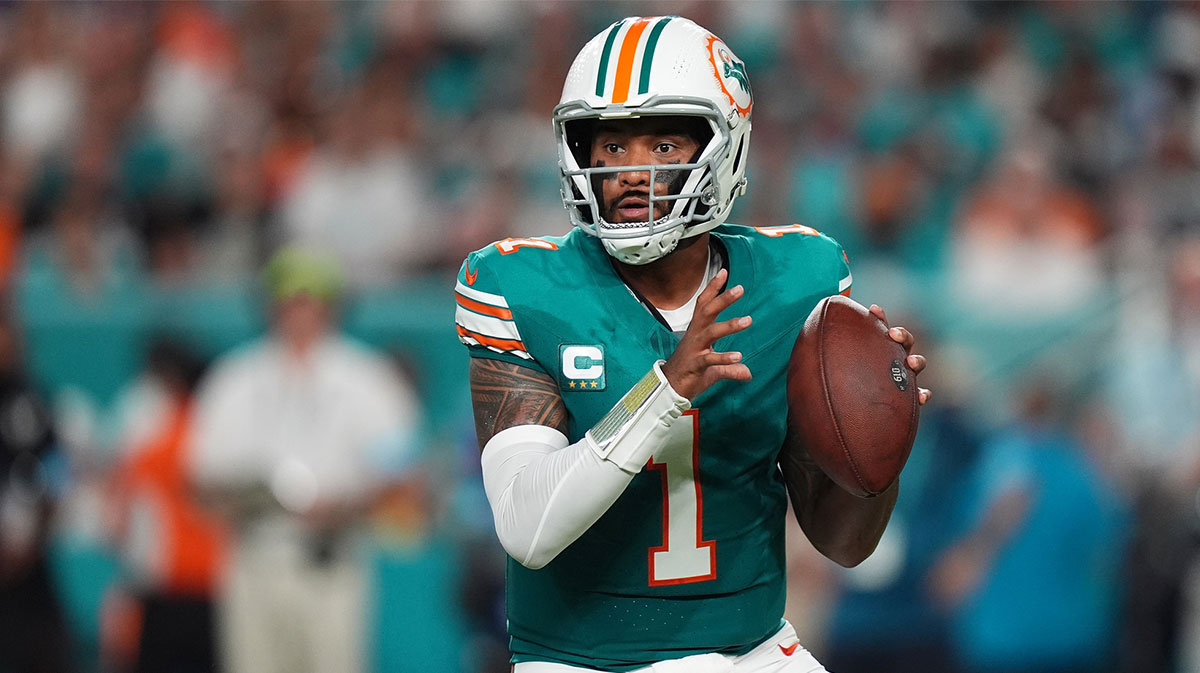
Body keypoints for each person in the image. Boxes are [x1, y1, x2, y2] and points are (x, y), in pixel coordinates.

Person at [455, 16, 930, 672]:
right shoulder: (522, 286)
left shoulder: (799, 279)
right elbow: (525, 527)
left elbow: (843, 544)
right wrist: (666, 389)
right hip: (586, 661)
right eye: (611, 146)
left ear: (724, 148)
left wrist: (880, 440)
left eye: (662, 144)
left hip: (755, 647)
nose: (629, 171)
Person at [187, 247, 421, 673]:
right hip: (254, 556)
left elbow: (402, 477)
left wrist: (346, 507)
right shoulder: (234, 378)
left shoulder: (367, 379)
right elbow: (202, 480)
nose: (298, 312)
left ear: (331, 306)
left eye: (309, 300)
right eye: (287, 300)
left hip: (331, 560)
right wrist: (249, 499)